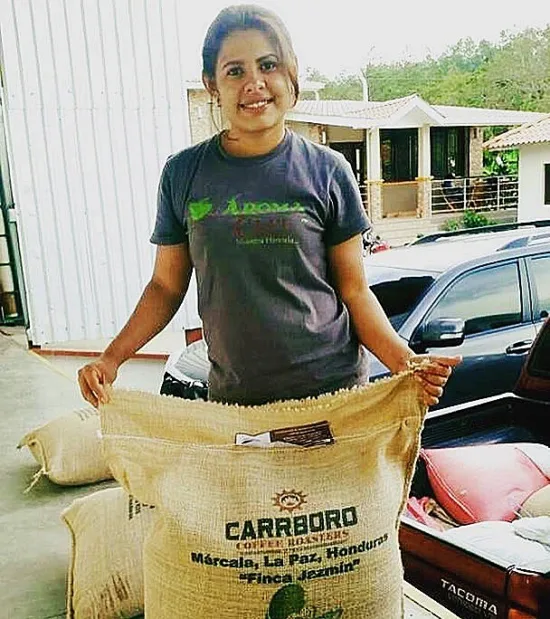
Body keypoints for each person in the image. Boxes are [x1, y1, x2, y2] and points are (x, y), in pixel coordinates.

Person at [78, 4, 460, 409]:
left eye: (268, 65)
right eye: (235, 70)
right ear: (212, 84)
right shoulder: (183, 174)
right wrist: (111, 358)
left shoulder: (329, 171)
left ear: (289, 73)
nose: (254, 83)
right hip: (238, 398)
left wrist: (406, 362)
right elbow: (165, 286)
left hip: (333, 391)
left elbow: (354, 290)